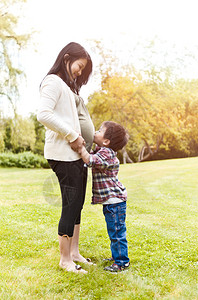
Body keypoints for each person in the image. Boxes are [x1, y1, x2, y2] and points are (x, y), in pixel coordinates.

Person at [37, 42, 95, 274]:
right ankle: (64, 259)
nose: (79, 72)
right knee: (70, 205)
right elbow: (43, 114)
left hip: (75, 154)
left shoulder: (66, 86)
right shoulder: (52, 81)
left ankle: (74, 252)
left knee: (78, 203)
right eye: (79, 66)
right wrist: (72, 135)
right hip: (62, 155)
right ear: (67, 58)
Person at [78, 121, 130, 272]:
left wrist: (81, 148)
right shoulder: (102, 150)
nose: (95, 132)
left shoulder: (106, 153)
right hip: (112, 202)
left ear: (106, 141)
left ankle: (121, 262)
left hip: (115, 202)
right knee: (113, 230)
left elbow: (90, 160)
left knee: (116, 232)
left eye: (100, 131)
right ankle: (117, 256)